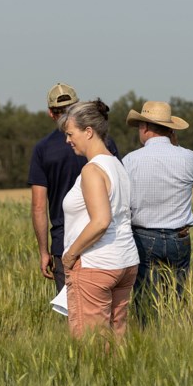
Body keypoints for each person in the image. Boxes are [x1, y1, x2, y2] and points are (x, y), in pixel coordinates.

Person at [59, 100, 139, 341]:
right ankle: (120, 378)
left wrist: (71, 255)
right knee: (116, 338)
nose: (68, 140)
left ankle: (98, 380)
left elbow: (101, 221)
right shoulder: (117, 165)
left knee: (90, 343)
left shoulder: (92, 170)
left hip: (96, 263)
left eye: (71, 133)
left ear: (89, 132)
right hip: (125, 261)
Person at [29, 83, 119, 293]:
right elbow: (118, 187)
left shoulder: (42, 149)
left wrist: (44, 251)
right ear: (78, 107)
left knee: (74, 314)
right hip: (106, 238)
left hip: (65, 242)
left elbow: (39, 207)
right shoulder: (102, 141)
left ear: (51, 113)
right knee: (109, 313)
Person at [123, 101, 193, 318]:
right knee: (176, 298)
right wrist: (176, 146)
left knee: (145, 299)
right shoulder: (188, 157)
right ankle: (174, 334)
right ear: (171, 130)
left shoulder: (130, 160)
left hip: (143, 236)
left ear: (146, 128)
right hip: (180, 236)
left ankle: (148, 335)